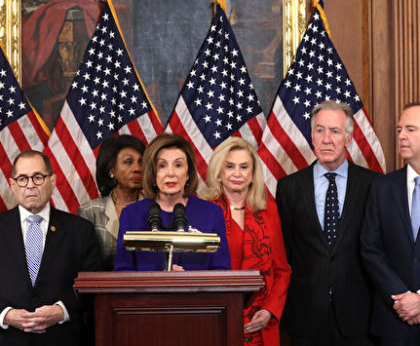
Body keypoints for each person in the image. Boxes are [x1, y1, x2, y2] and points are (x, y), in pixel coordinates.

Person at [275, 100, 380, 345]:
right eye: (319, 130)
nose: (326, 139)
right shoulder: (289, 187)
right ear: (312, 136)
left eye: (335, 131)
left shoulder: (373, 185)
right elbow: (285, 252)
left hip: (359, 317)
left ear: (348, 139)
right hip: (306, 317)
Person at [0, 150, 102, 346]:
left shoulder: (80, 230)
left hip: (62, 338)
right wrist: (6, 314)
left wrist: (62, 310)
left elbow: (94, 285)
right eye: (22, 178)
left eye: (38, 177)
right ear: (12, 185)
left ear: (53, 181)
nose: (30, 185)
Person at [201, 137, 291, 346]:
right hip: (215, 320)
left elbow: (282, 271)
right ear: (219, 172)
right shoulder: (203, 209)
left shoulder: (268, 209)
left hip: (261, 324)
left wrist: (270, 310)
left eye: (244, 167)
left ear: (252, 174)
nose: (237, 173)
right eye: (230, 166)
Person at [114, 133, 231, 271]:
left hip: (197, 292)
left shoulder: (212, 213)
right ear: (152, 172)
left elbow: (221, 271)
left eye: (178, 165)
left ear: (188, 173)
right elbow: (122, 271)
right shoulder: (131, 214)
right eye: (162, 165)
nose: (170, 173)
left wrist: (189, 282)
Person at [361, 102, 420, 345]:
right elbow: (370, 249)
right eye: (398, 130)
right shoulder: (382, 187)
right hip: (394, 318)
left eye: (410, 129)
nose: (401, 136)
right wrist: (403, 298)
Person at [78, 135, 145, 270]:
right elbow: (83, 263)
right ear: (111, 170)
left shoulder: (155, 209)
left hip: (146, 287)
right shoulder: (90, 211)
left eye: (141, 162)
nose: (137, 168)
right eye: (128, 162)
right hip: (102, 288)